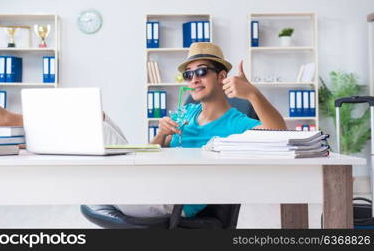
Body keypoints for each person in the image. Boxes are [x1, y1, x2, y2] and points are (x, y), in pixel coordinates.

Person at [115, 42, 287, 219]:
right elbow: (151, 153)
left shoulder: (236, 123)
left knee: (110, 192)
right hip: (156, 186)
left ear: (221, 76)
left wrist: (253, 94)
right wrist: (160, 135)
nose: (194, 79)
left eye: (201, 71)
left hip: (176, 202)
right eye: (188, 74)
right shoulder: (186, 113)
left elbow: (279, 133)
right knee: (107, 137)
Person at [0, 72, 128, 145]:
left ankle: (5, 123)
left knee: (93, 125)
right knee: (98, 115)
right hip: (151, 163)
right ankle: (5, 128)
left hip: (145, 179)